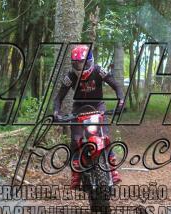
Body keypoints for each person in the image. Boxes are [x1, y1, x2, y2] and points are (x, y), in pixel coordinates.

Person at [53, 45, 124, 189]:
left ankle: (112, 168)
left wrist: (121, 101)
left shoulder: (99, 71)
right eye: (77, 64)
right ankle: (75, 173)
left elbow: (116, 85)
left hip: (97, 106)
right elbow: (58, 97)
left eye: (84, 63)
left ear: (91, 61)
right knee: (75, 139)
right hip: (78, 109)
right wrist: (56, 113)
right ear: (73, 64)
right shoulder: (70, 76)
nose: (80, 67)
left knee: (104, 134)